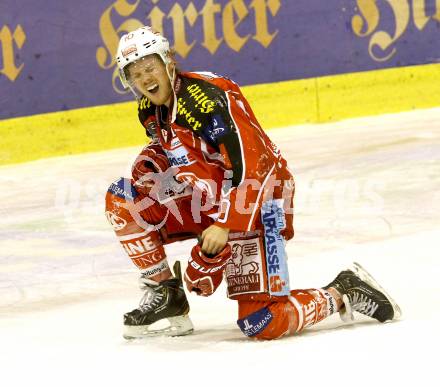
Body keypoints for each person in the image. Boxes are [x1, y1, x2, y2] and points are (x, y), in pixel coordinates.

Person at [105, 26, 401, 340]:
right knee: (123, 199)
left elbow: (254, 163)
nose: (145, 78)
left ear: (168, 62)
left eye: (149, 67)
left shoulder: (206, 99)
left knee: (261, 322)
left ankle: (344, 291)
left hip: (261, 200)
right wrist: (154, 160)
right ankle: (167, 295)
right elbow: (186, 151)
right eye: (135, 74)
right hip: (209, 198)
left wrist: (225, 225)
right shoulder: (148, 110)